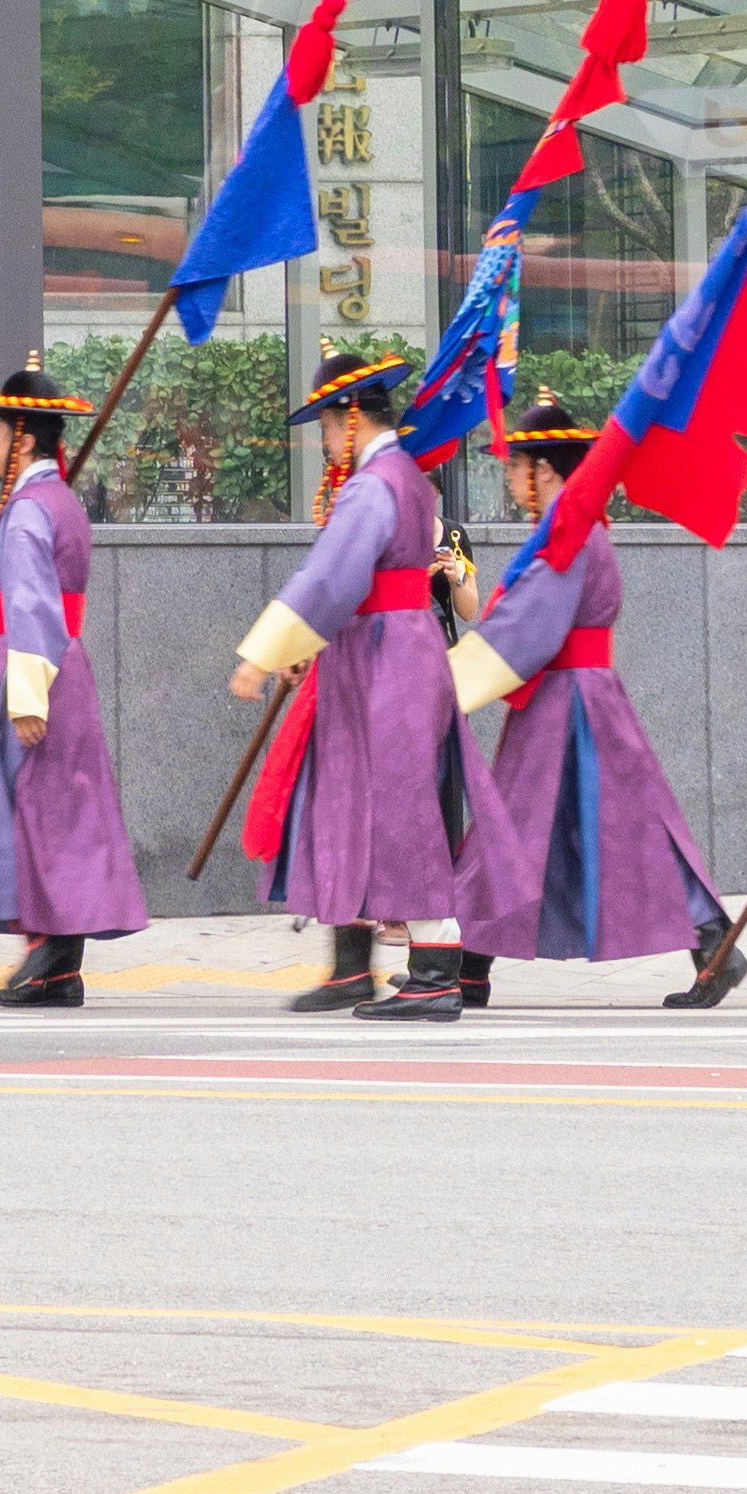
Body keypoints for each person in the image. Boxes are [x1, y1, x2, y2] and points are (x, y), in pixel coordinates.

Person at [227, 347, 518, 1022]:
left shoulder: (372, 485)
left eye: (327, 426)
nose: (326, 439)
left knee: (398, 812)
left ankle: (435, 969)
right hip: (384, 651)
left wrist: (266, 651)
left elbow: (332, 576)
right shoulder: (408, 478)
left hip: (386, 660)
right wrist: (309, 644)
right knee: (348, 804)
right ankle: (353, 965)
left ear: (350, 418)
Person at [441, 396, 727, 1000]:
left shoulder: (571, 529)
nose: (513, 479)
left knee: (522, 828)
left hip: (568, 703)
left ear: (544, 469)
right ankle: (470, 960)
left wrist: (445, 686)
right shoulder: (576, 522)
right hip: (574, 698)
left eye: (516, 466)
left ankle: (464, 963)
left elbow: (528, 626)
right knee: (578, 830)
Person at [0, 364, 144, 1008]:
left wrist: (25, 698)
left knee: (27, 816)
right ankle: (56, 959)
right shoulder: (61, 502)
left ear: (21, 439)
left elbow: (29, 605)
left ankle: (51, 955)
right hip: (53, 668)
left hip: (29, 673)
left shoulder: (26, 512)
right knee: (55, 816)